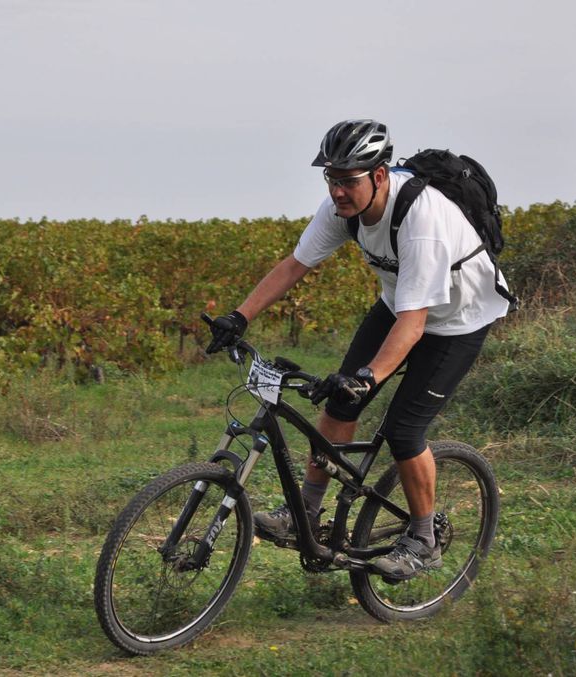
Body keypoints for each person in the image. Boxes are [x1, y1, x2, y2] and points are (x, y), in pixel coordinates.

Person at [205, 119, 510, 580]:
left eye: (348, 180)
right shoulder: (342, 212)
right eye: (331, 178)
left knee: (405, 431)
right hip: (399, 303)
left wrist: (368, 377)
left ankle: (424, 540)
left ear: (380, 175)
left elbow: (416, 324)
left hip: (458, 319)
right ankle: (305, 512)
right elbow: (295, 265)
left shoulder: (421, 219)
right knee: (339, 404)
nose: (338, 191)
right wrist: (239, 316)